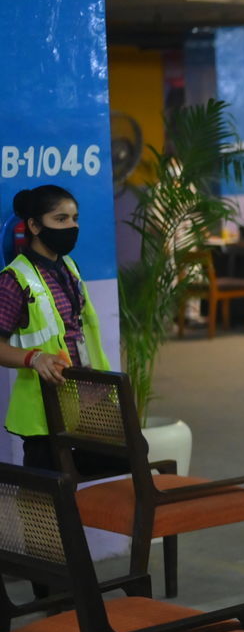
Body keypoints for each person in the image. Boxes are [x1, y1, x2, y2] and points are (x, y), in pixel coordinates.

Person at [0, 186, 113, 471]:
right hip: (44, 404)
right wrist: (34, 358)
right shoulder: (13, 279)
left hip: (87, 393)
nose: (71, 227)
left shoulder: (70, 267)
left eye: (74, 219)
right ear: (35, 226)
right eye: (60, 219)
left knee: (124, 455)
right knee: (49, 490)